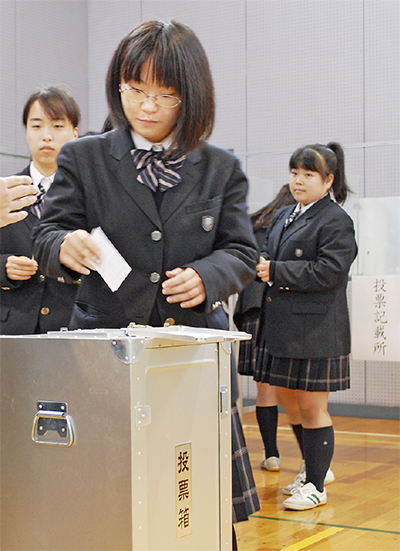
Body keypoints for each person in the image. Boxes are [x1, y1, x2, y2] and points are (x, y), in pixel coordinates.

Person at [32, 20, 260, 547]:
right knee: (107, 501)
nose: (147, 107)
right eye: (135, 90)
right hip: (104, 354)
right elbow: (48, 232)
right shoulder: (84, 158)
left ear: (192, 95)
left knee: (195, 498)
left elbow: (243, 253)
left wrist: (207, 276)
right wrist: (63, 246)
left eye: (166, 94)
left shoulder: (220, 168)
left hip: (193, 358)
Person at [255, 142, 357, 510]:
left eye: (308, 174)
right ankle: (312, 469)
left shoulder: (336, 220)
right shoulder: (285, 215)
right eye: (294, 173)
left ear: (328, 180)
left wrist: (276, 271)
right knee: (288, 400)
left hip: (317, 329)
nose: (298, 180)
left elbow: (331, 272)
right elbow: (268, 255)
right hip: (282, 326)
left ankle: (316, 484)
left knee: (313, 408)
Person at [0, 86, 81, 334]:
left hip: (70, 327)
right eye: (36, 126)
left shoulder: (90, 193)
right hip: (11, 329)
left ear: (75, 133)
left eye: (57, 126)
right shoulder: (4, 192)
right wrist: (3, 268)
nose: (46, 136)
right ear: (26, 131)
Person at [234, 184, 295, 472]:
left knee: (265, 390)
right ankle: (310, 462)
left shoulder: (253, 224)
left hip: (251, 310)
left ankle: (271, 455)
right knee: (295, 392)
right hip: (278, 311)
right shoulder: (291, 227)